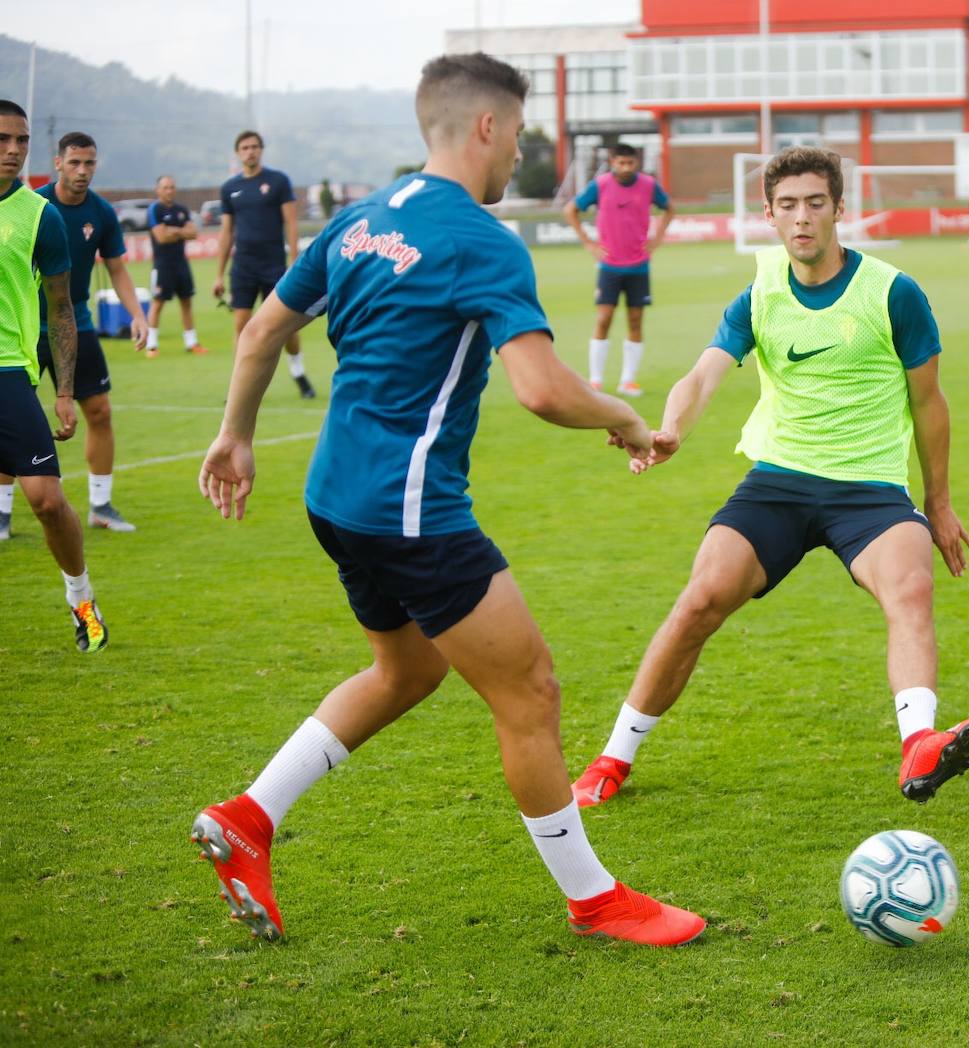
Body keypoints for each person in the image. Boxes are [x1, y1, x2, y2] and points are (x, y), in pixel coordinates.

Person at [191, 53, 704, 948]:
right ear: (487, 128)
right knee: (532, 692)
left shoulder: (357, 221)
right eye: (517, 137)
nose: (517, 159)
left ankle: (248, 818)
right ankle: (595, 898)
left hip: (335, 497)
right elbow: (541, 389)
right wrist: (623, 416)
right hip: (409, 509)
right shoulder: (479, 240)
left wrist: (235, 433)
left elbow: (265, 328)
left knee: (408, 671)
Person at [571, 146, 969, 811]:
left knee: (910, 587)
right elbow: (705, 372)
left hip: (870, 488)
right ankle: (612, 757)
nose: (802, 219)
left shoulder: (894, 292)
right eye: (788, 205)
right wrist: (671, 428)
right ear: (768, 214)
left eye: (816, 203)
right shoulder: (761, 291)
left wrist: (937, 502)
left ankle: (919, 745)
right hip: (780, 480)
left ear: (839, 209)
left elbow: (929, 403)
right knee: (700, 599)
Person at [0, 130, 149, 535]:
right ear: (58, 163)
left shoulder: (101, 213)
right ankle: (3, 514)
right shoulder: (32, 208)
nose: (83, 171)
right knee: (13, 419)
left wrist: (137, 314)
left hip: (76, 325)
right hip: (24, 332)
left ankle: (101, 505)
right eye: (75, 162)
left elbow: (116, 267)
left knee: (99, 411)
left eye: (90, 163)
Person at [0, 101, 108, 651]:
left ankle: (81, 597)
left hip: (9, 371)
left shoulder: (39, 216)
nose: (13, 150)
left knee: (44, 498)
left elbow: (61, 308)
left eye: (19, 140)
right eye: (2, 139)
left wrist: (64, 391)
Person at [563, 143, 675, 396]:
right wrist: (588, 241)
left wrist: (657, 237)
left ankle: (628, 381)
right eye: (621, 163)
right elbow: (570, 209)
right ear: (612, 161)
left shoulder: (648, 185)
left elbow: (669, 208)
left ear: (637, 162)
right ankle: (595, 381)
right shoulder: (600, 185)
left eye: (630, 163)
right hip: (609, 266)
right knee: (603, 319)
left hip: (639, 266)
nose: (626, 167)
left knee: (635, 321)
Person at [212, 130, 316, 399]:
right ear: (238, 153)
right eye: (245, 147)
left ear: (261, 150)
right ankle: (239, 388)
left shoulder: (278, 181)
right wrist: (218, 275)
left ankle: (299, 373)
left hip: (274, 267)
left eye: (255, 146)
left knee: (285, 328)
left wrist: (295, 262)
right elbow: (226, 233)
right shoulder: (229, 189)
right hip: (243, 267)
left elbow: (291, 223)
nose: (250, 151)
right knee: (241, 325)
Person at [145, 174, 207, 357]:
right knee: (157, 304)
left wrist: (172, 230)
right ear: (158, 190)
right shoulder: (154, 210)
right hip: (162, 265)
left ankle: (191, 343)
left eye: (172, 187)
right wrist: (181, 231)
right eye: (165, 187)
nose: (169, 190)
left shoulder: (182, 209)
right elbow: (161, 237)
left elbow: (194, 233)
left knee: (186, 302)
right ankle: (151, 345)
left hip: (182, 264)